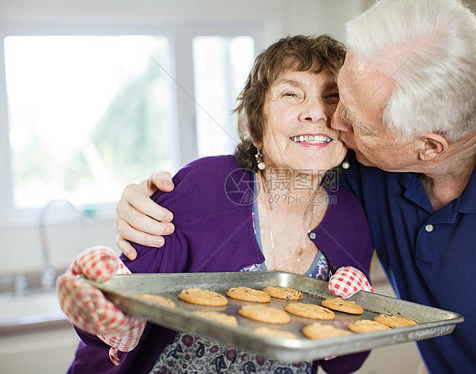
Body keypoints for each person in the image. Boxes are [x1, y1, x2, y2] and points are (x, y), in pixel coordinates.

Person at [116, 0, 476, 373]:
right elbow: (275, 154)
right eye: (339, 95)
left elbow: (342, 356)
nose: (332, 120)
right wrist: (143, 195)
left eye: (348, 112)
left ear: (426, 146)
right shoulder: (360, 156)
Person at [57, 34, 374, 374]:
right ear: (256, 126)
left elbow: (345, 364)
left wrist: (350, 317)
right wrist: (105, 300)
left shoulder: (352, 218)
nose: (315, 112)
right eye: (291, 94)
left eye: (333, 97)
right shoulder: (204, 184)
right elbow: (116, 315)